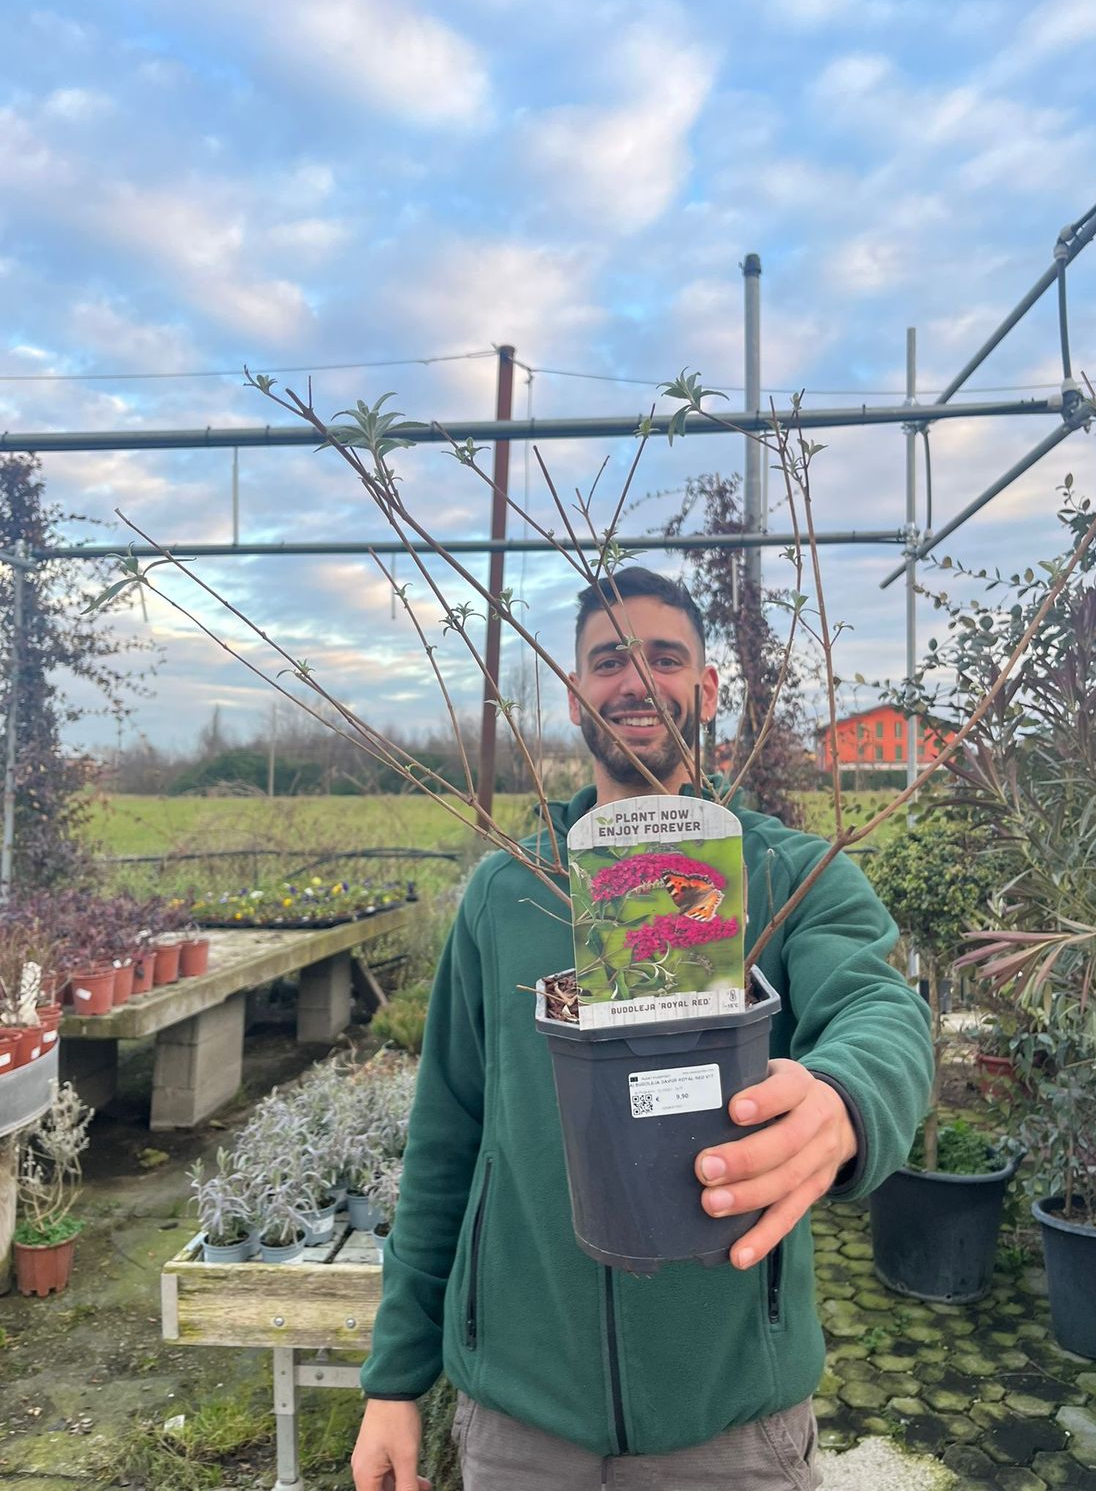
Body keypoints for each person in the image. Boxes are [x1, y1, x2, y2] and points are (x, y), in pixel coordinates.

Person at [352, 567, 932, 1491]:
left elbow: (878, 1007)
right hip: (519, 1419)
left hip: (729, 1420)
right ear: (577, 691)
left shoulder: (782, 874)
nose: (635, 680)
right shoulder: (509, 892)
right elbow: (447, 1139)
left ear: (705, 690)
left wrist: (847, 1098)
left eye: (664, 657)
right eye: (608, 660)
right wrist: (393, 1381)